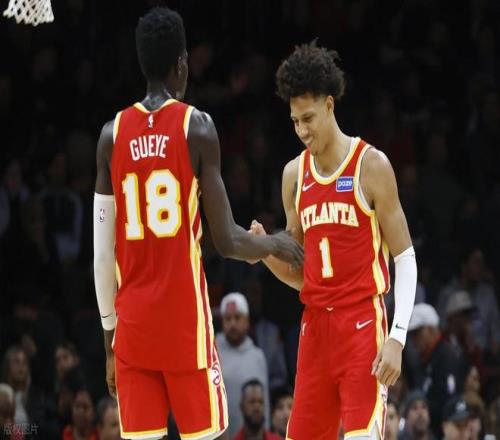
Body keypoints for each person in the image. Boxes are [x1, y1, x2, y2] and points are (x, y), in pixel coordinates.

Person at [92, 6, 303, 440]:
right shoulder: (197, 127)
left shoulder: (111, 135)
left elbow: (101, 257)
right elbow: (227, 241)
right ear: (181, 63)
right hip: (184, 327)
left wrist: (110, 341)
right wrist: (276, 244)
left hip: (132, 331)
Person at [249, 41, 417, 439]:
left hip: (362, 324)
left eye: (308, 118)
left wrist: (397, 337)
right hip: (314, 330)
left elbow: (405, 257)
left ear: (329, 105)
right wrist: (265, 252)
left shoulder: (371, 165)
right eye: (294, 121)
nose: (302, 131)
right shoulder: (293, 175)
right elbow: (302, 274)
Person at [216, 293, 270, 438]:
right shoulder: (212, 354)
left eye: (237, 317)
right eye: (228, 318)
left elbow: (265, 404)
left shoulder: (257, 356)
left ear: (247, 321)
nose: (232, 323)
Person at [407, 303, 465, 436]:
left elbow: (448, 400)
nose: (414, 339)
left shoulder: (446, 355)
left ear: (432, 329)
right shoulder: (425, 359)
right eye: (412, 335)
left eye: (417, 333)